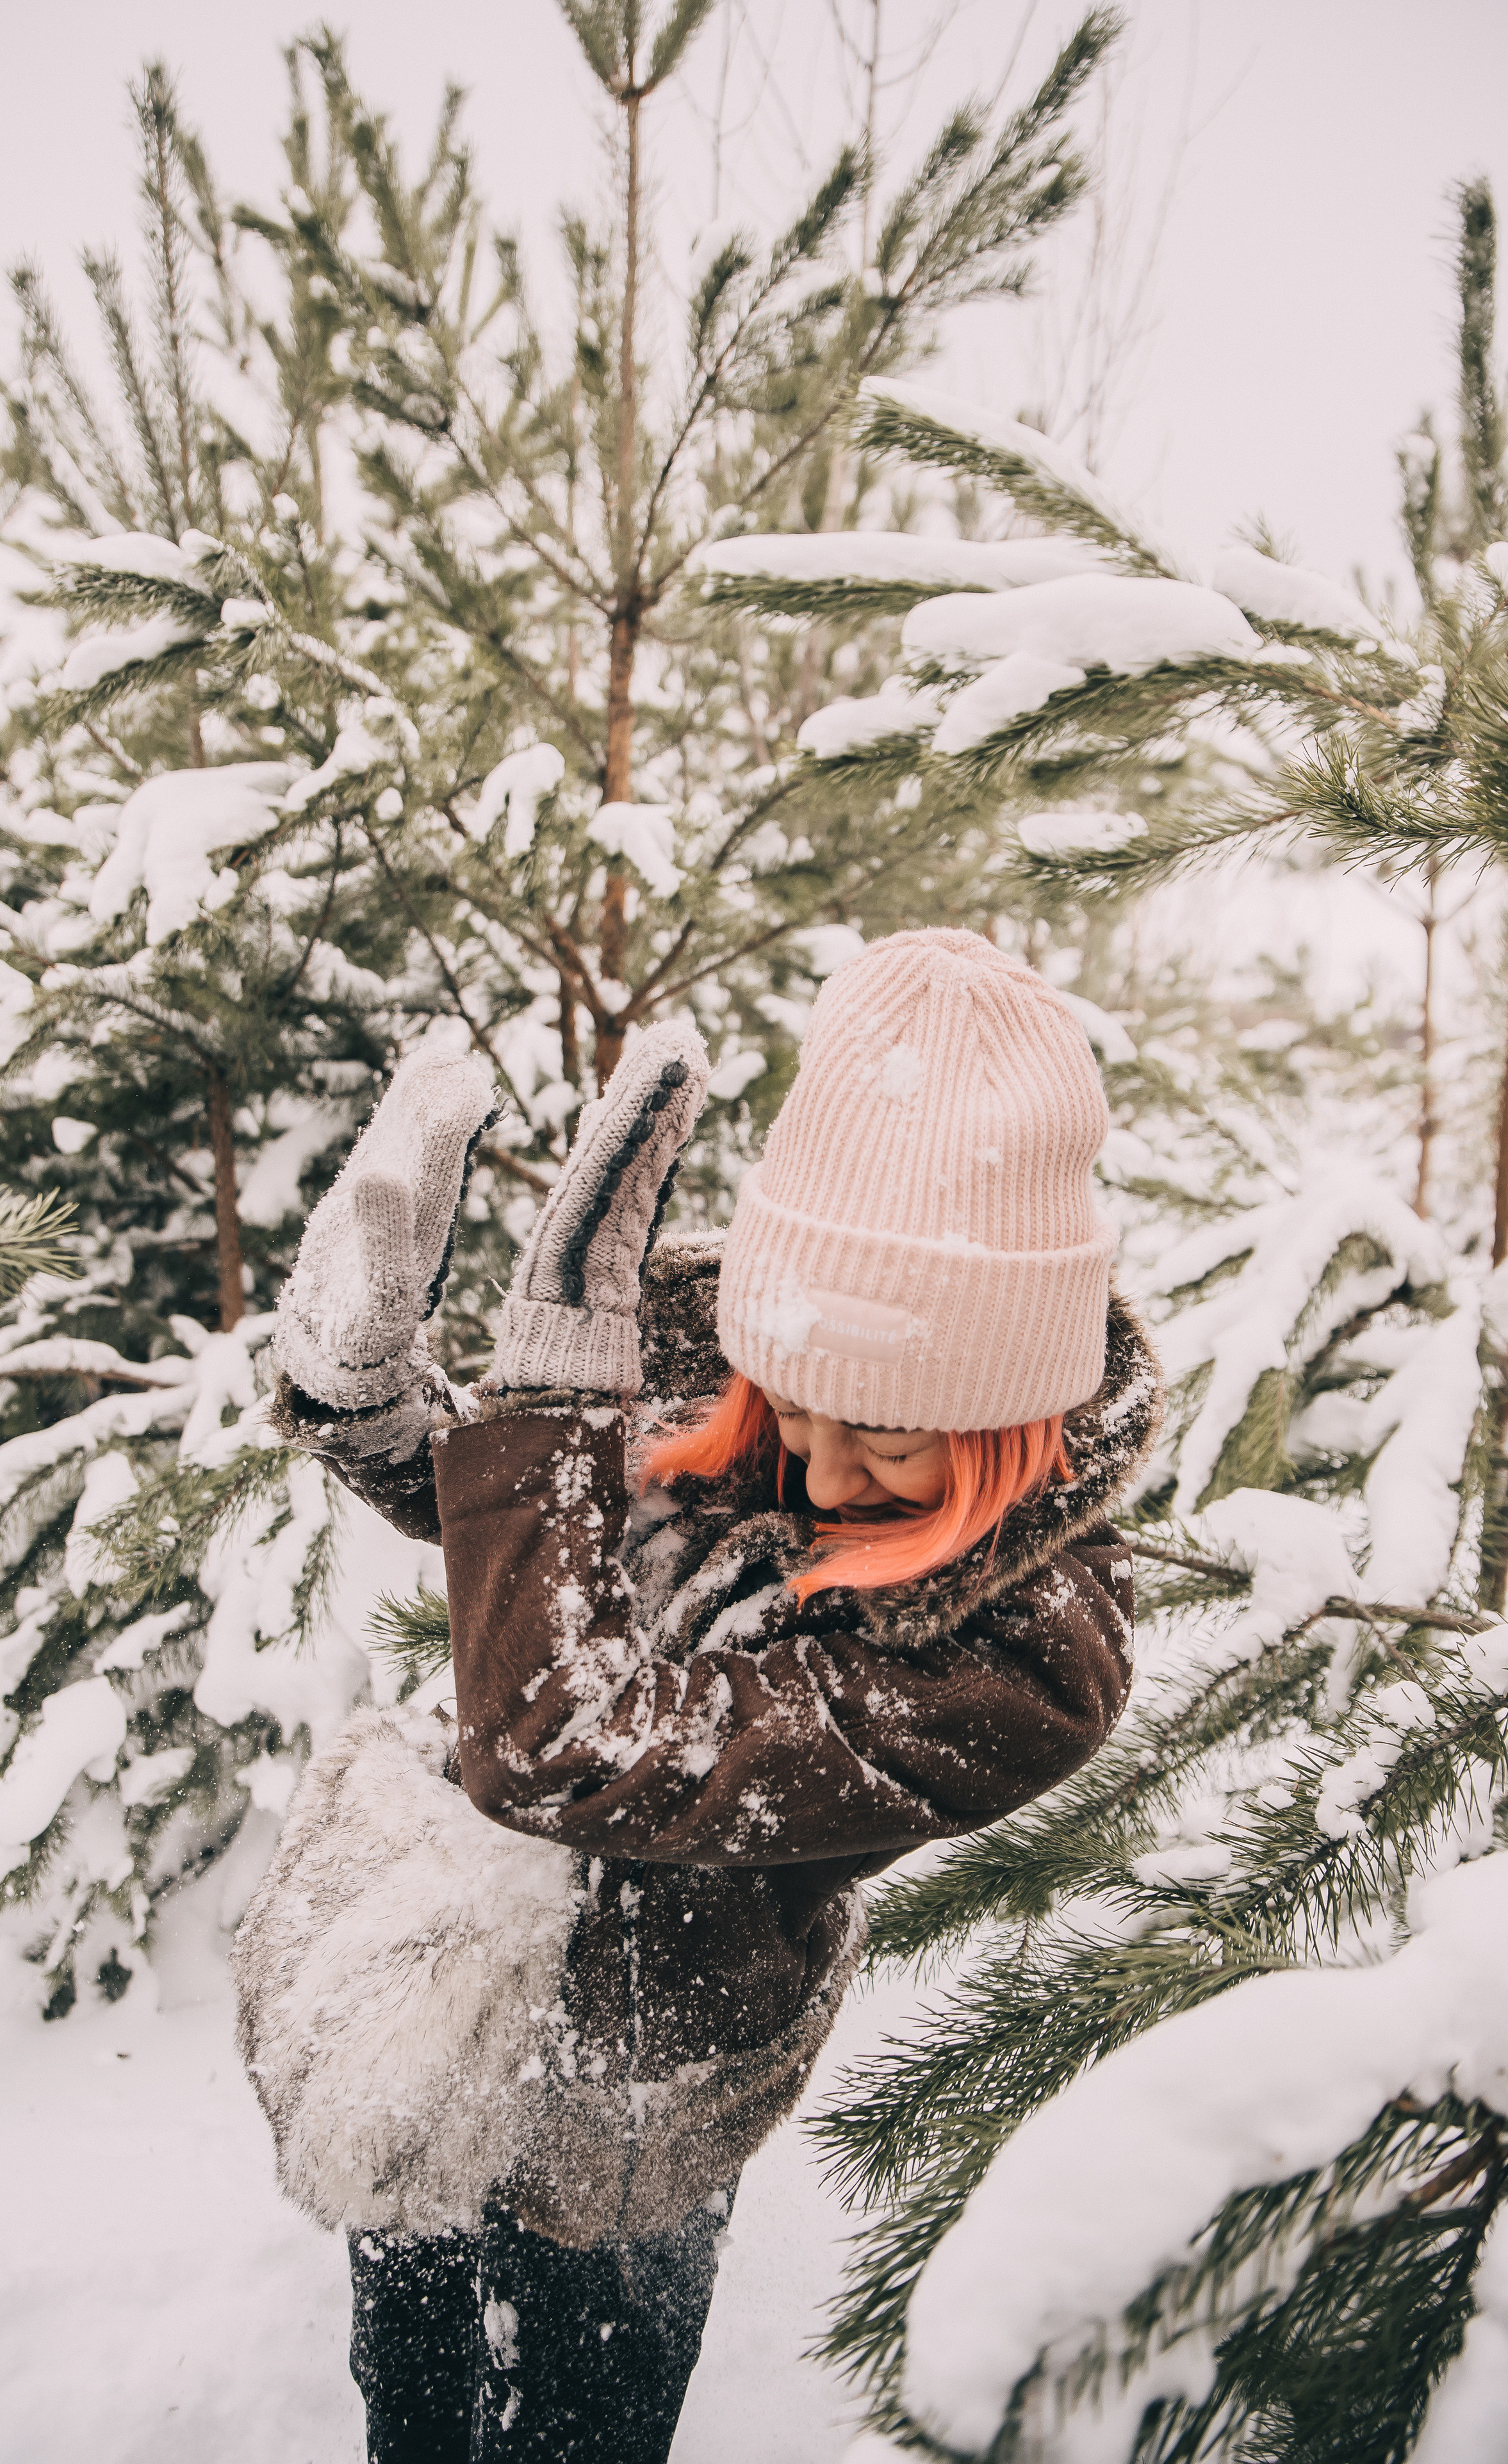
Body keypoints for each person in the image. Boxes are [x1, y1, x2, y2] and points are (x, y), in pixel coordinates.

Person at [233, 926, 1162, 2464]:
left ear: (1010, 1412)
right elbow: (554, 1551)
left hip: (639, 2087)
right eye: (788, 1401)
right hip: (441, 1997)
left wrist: (545, 1412)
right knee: (409, 2393)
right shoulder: (705, 1349)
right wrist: (375, 1404)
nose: (813, 1460)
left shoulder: (1024, 1659)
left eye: (887, 1437)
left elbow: (576, 1750)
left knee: (573, 2430)